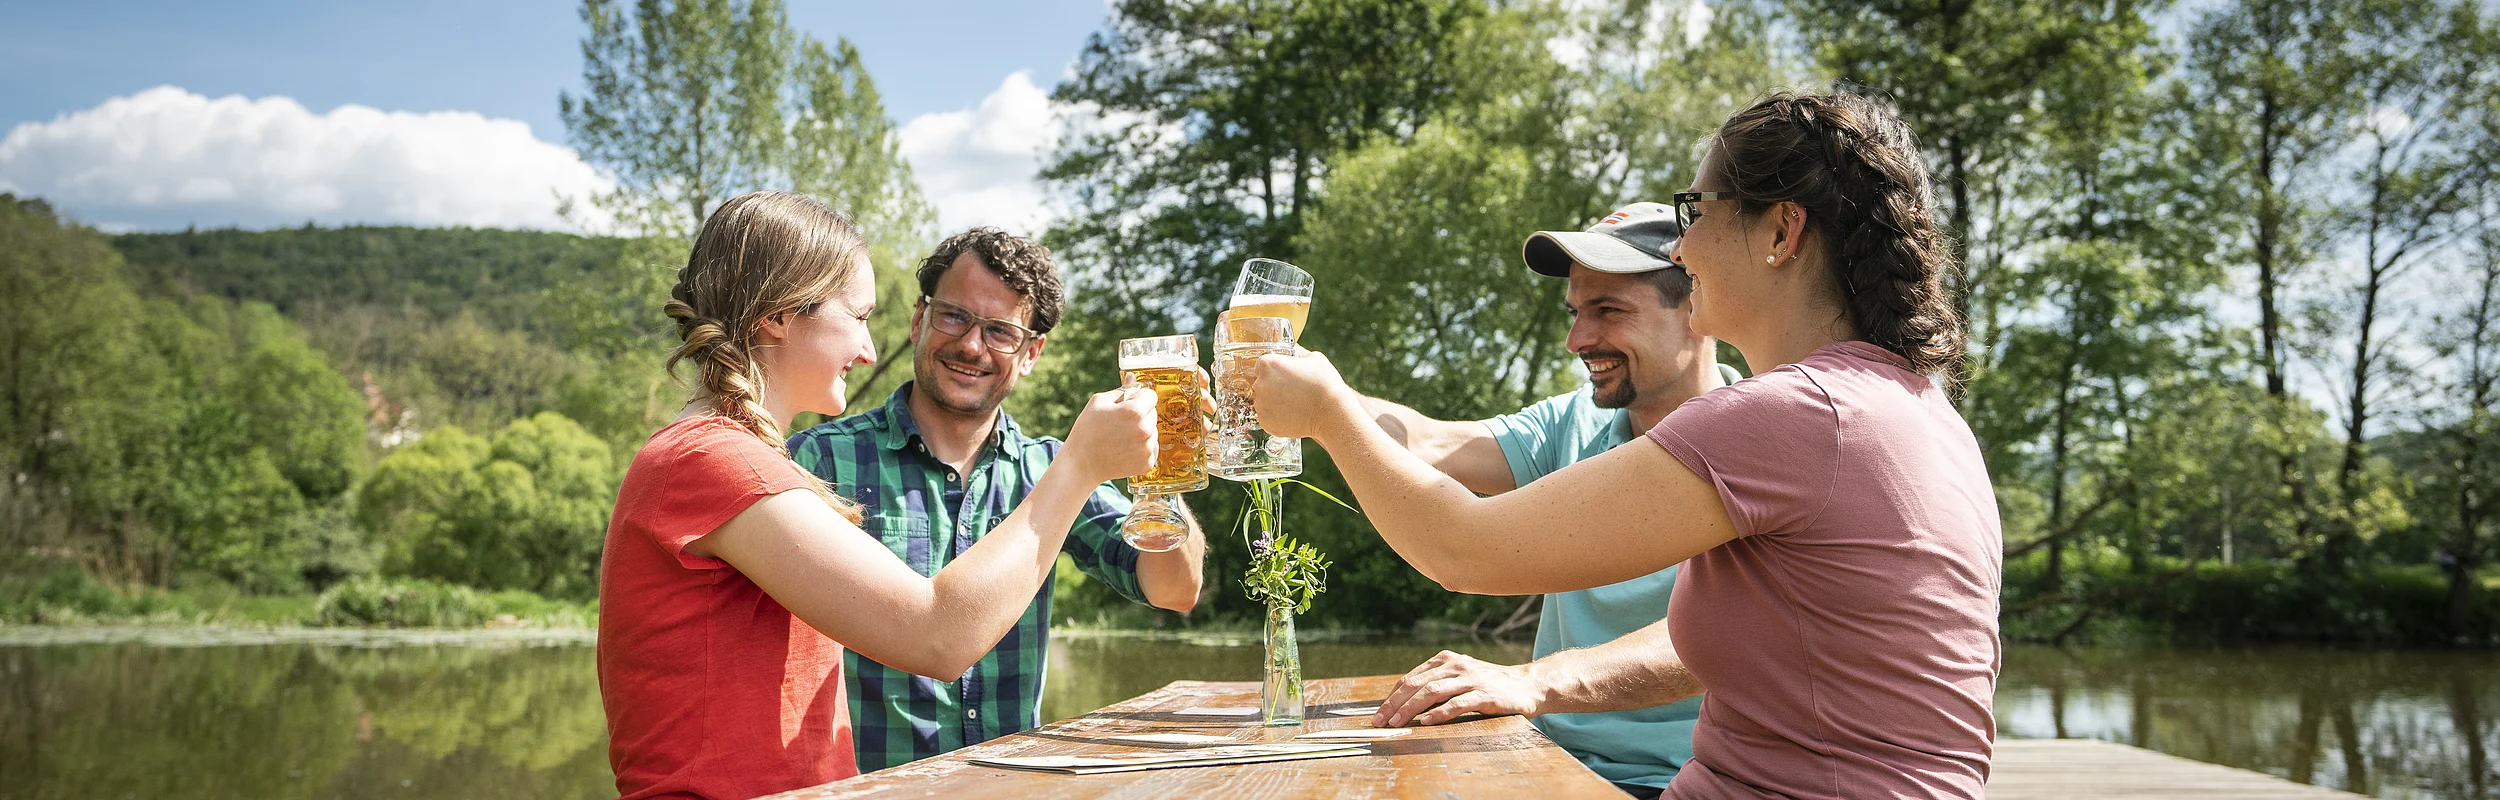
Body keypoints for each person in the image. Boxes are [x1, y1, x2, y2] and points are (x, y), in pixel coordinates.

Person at [1249, 91, 2003, 799]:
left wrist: (1326, 412)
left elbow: (1465, 551)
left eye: (1696, 213)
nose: (1684, 249)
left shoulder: (1792, 415)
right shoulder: (1918, 408)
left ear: (1781, 231)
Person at [597, 192, 1158, 800]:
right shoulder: (711, 460)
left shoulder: (734, 458)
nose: (869, 350)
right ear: (781, 314)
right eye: (859, 316)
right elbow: (936, 636)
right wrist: (1078, 467)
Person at [787, 227, 1208, 772]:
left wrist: (1163, 469)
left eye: (1001, 332)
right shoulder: (821, 461)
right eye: (954, 316)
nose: (971, 346)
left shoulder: (1053, 469)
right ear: (919, 320)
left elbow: (1175, 587)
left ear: (1031, 353)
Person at [1353, 202, 1737, 797]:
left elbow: (1724, 637)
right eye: (1576, 312)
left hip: (1691, 783)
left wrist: (1529, 680)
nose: (1576, 340)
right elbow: (1427, 439)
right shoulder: (1573, 422)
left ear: (1698, 306)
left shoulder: (1763, 439)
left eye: (1608, 310)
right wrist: (1304, 388)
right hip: (1545, 768)